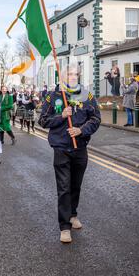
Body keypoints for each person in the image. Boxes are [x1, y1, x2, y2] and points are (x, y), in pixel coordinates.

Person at [39, 63, 101, 244]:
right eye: (70, 74)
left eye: (76, 74)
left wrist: (81, 131)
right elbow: (42, 120)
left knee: (76, 185)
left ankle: (73, 214)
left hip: (80, 148)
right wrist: (61, 116)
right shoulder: (53, 96)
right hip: (61, 149)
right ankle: (64, 226)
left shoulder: (87, 95)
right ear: (63, 77)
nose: (74, 77)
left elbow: (96, 119)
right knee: (64, 187)